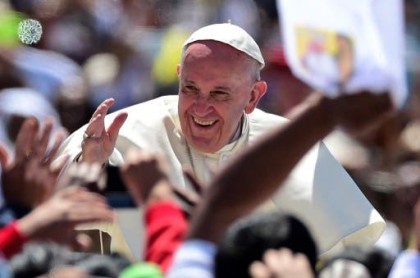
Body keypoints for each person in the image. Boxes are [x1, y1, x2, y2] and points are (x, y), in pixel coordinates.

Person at [56, 22, 388, 257]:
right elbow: (76, 231)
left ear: (253, 96)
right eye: (190, 88)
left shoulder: (287, 146)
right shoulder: (123, 134)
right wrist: (91, 166)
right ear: (178, 78)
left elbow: (351, 248)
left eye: (219, 93)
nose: (201, 107)